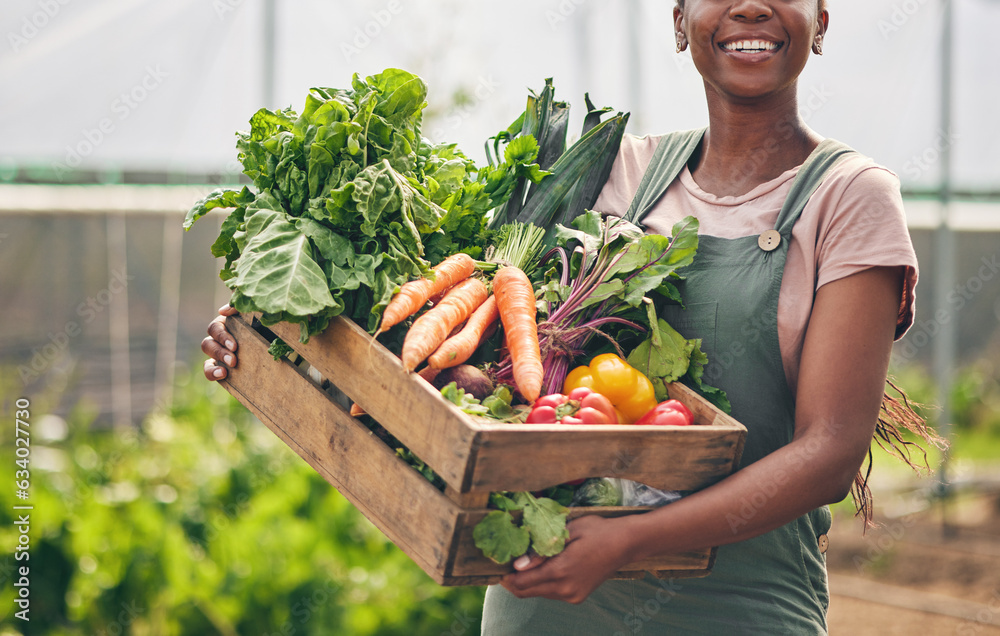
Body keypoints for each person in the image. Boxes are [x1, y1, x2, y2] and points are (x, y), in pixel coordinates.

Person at [201, 0, 941, 632]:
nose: (749, 6)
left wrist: (627, 542)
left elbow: (831, 455)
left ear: (821, 19)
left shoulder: (851, 198)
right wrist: (287, 340)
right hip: (544, 600)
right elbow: (482, 368)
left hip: (737, 607)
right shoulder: (615, 171)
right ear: (680, 21)